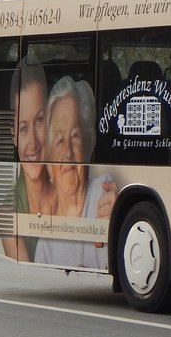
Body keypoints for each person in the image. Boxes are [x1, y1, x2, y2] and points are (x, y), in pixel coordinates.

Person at [33, 77, 117, 270]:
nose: (68, 153)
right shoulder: (45, 245)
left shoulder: (102, 192)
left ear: (88, 147)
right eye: (60, 140)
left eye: (75, 136)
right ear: (48, 161)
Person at [3, 55, 55, 261]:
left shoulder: (72, 187)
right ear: (13, 134)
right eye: (23, 128)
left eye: (39, 121)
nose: (33, 143)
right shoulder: (8, 212)